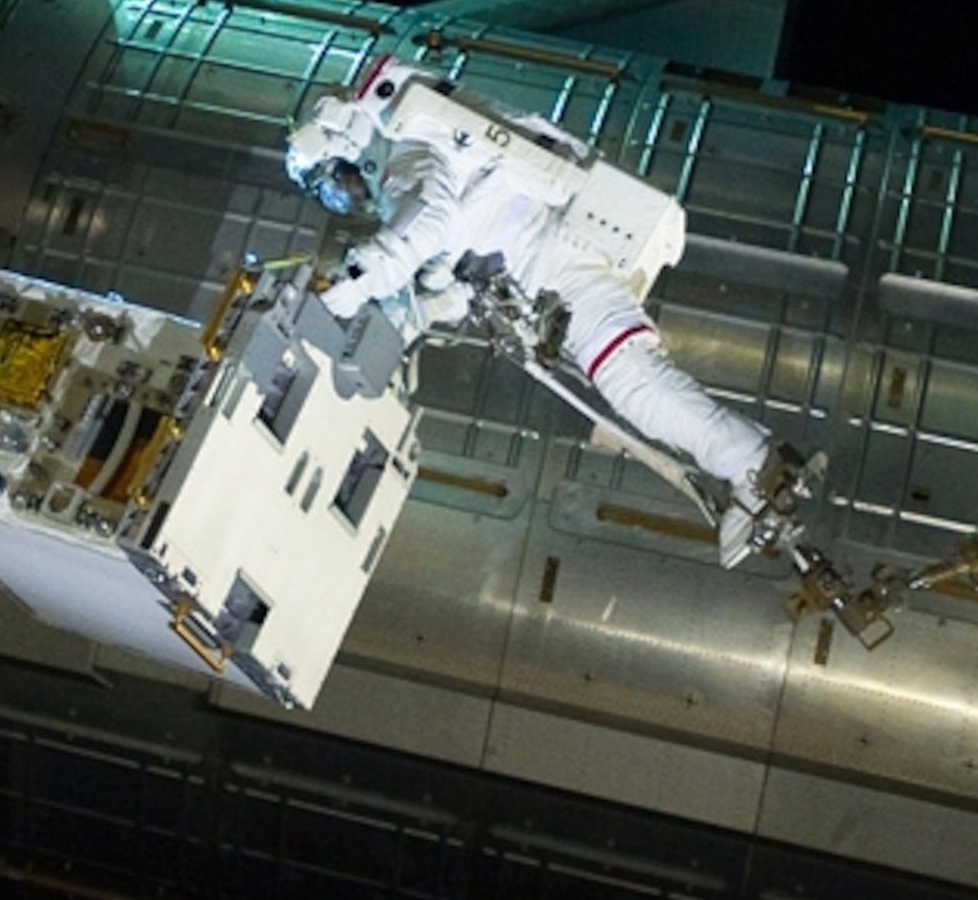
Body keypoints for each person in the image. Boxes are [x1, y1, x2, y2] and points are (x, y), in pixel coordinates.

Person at [284, 79, 813, 560]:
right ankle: (749, 461)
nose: (345, 199)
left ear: (344, 144)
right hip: (541, 272)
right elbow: (459, 255)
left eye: (336, 183)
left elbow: (425, 225)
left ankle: (754, 463)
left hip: (558, 259)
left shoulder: (409, 145)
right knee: (626, 385)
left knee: (629, 381)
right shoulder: (412, 154)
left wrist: (340, 293)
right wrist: (422, 310)